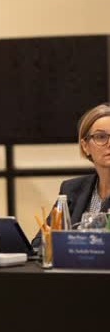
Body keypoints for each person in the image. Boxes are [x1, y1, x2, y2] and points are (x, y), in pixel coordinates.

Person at [31, 103, 110, 248]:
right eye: (101, 137)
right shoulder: (72, 189)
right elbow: (39, 243)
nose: (109, 143)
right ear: (85, 146)